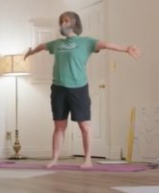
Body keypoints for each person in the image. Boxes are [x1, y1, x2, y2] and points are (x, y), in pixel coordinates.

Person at [24, 11, 141, 169]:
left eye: (66, 21)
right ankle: (54, 159)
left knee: (84, 126)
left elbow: (106, 44)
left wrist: (126, 48)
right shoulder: (57, 44)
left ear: (74, 23)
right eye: (61, 21)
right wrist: (31, 52)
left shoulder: (86, 42)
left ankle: (87, 160)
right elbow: (42, 46)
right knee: (59, 126)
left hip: (78, 88)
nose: (63, 24)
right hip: (58, 88)